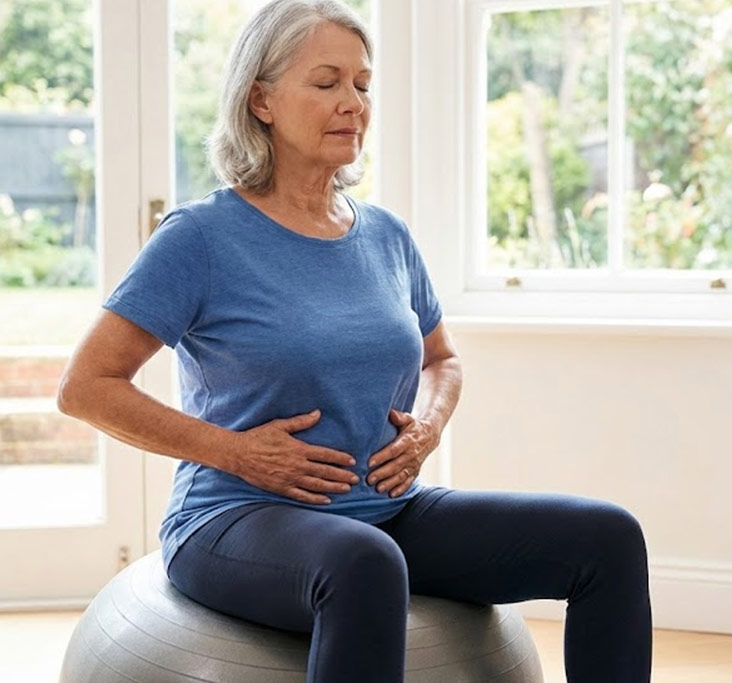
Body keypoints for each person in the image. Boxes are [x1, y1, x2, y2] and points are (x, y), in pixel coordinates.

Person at [57, 1, 652, 680]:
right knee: (365, 564)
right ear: (262, 101)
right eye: (326, 82)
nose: (353, 103)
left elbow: (442, 358)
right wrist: (235, 452)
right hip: (237, 516)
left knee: (607, 537)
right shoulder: (201, 237)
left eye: (363, 85)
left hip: (388, 509)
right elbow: (85, 387)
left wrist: (426, 427)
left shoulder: (386, 236)